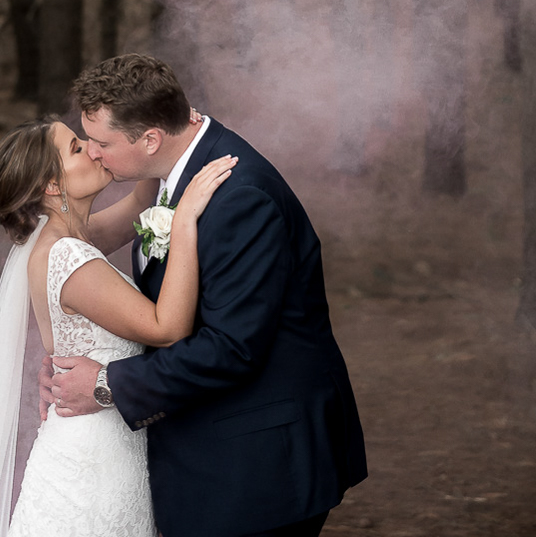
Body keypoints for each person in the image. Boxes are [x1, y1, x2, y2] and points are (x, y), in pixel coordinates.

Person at [45, 53, 368, 537]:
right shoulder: (173, 171)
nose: (93, 152)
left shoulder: (239, 198)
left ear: (150, 138)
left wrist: (107, 383)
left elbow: (232, 347)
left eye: (101, 142)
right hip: (215, 448)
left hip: (259, 461)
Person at [0, 113, 237, 537]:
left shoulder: (68, 237)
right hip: (92, 461)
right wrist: (184, 223)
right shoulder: (70, 258)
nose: (93, 149)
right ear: (52, 186)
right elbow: (167, 328)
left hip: (102, 441)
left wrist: (160, 126)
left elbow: (139, 201)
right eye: (77, 148)